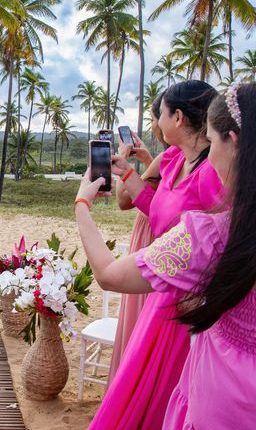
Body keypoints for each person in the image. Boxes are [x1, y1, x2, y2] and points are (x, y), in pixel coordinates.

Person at [75, 82, 256, 429]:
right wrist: (128, 172)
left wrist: (82, 204)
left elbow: (109, 274)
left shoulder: (212, 230)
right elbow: (156, 209)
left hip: (212, 367)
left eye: (214, 138)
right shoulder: (173, 161)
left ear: (231, 142)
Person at [108, 93, 165, 379]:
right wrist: (145, 158)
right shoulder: (180, 158)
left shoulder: (170, 155)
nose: (155, 124)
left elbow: (123, 201)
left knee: (141, 310)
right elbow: (164, 181)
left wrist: (124, 158)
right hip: (163, 233)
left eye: (156, 117)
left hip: (152, 235)